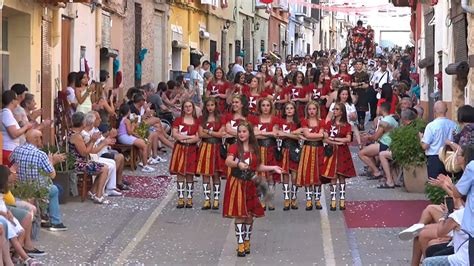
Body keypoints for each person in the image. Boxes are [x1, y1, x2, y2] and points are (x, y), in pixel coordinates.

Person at [223, 121, 282, 257]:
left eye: (244, 131)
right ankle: (241, 244)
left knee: (249, 215)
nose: (241, 134)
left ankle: (247, 240)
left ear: (249, 133)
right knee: (239, 214)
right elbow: (228, 161)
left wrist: (272, 167)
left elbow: (258, 166)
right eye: (239, 132)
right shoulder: (234, 147)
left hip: (250, 184)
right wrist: (238, 164)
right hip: (237, 183)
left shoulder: (255, 148)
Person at [10, 130, 68, 231]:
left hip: (20, 187)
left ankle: (44, 215)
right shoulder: (40, 154)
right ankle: (55, 222)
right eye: (41, 138)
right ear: (37, 139)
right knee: (54, 189)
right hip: (37, 188)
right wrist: (51, 161)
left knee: (52, 188)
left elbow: (11, 161)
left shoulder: (17, 150)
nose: (42, 141)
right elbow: (52, 175)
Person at [0, 165, 40, 265]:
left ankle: (17, 256)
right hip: (3, 216)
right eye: (8, 181)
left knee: (21, 231)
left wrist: (7, 212)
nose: (10, 184)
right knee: (7, 231)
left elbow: (3, 203)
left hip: (5, 212)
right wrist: (4, 213)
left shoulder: (3, 191)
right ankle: (25, 258)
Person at [68, 112, 110, 203]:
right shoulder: (76, 136)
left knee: (103, 167)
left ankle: (92, 192)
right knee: (104, 168)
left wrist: (91, 140)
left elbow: (83, 148)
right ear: (82, 123)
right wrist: (93, 141)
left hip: (79, 161)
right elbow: (84, 153)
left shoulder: (73, 132)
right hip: (78, 163)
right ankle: (98, 196)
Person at [322, 103, 356, 211]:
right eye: (334, 109)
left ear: (342, 112)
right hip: (331, 151)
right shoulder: (329, 124)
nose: (334, 111)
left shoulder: (347, 125)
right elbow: (325, 138)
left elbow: (348, 139)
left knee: (342, 175)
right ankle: (333, 201)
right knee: (333, 176)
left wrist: (335, 140)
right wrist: (337, 141)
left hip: (342, 152)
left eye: (337, 109)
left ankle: (342, 200)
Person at [82, 112, 122, 196]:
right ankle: (99, 190)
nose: (100, 120)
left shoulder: (93, 130)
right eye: (98, 119)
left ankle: (109, 188)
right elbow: (92, 151)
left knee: (112, 163)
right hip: (93, 156)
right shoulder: (85, 134)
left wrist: (107, 141)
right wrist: (104, 142)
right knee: (108, 165)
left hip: (96, 155)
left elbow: (101, 141)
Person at [170, 101, 200, 208]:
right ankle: (181, 198)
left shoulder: (197, 122)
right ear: (183, 108)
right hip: (180, 149)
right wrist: (189, 138)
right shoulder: (178, 120)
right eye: (186, 106)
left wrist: (185, 139)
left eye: (190, 106)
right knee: (180, 174)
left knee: (189, 174)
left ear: (193, 108)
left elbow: (197, 137)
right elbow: (175, 134)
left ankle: (190, 199)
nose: (188, 108)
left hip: (191, 150)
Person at [196, 98, 225, 210]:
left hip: (217, 148)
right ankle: (207, 200)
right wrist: (214, 134)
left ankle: (216, 200)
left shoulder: (221, 118)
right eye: (208, 105)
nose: (210, 107)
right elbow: (200, 134)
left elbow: (221, 134)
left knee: (216, 174)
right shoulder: (202, 118)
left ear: (215, 106)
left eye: (212, 105)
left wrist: (208, 131)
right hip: (205, 147)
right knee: (205, 174)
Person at [358, 102, 398, 180]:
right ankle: (374, 170)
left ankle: (376, 171)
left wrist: (368, 137)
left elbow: (375, 137)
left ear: (381, 109)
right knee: (367, 149)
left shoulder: (384, 121)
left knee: (361, 153)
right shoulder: (392, 119)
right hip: (389, 143)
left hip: (385, 144)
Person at [297, 101, 325, 210]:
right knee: (308, 173)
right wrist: (318, 135)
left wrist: (309, 136)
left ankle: (317, 200)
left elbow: (319, 136)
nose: (312, 111)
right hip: (307, 149)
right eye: (310, 109)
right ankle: (309, 200)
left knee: (318, 174)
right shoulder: (304, 121)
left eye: (314, 109)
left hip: (319, 149)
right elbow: (312, 134)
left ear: (317, 110)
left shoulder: (321, 122)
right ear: (307, 110)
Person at [378, 108, 417, 188]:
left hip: (406, 154)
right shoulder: (415, 126)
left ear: (404, 119)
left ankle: (389, 181)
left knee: (382, 154)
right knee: (388, 152)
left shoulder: (406, 129)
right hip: (411, 152)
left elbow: (403, 144)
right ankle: (395, 179)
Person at [252, 98, 280, 210]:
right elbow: (254, 135)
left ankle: (270, 199)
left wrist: (261, 133)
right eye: (263, 105)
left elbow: (275, 133)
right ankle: (262, 199)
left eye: (268, 105)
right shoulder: (255, 119)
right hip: (258, 149)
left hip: (270, 148)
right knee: (259, 175)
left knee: (271, 175)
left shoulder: (275, 119)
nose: (265, 107)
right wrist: (268, 134)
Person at [421, 101, 458, 179]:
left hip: (434, 157)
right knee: (448, 182)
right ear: (447, 110)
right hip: (449, 156)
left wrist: (420, 138)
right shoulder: (454, 125)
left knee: (434, 183)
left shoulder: (431, 126)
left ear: (434, 111)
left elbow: (425, 146)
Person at [276, 102, 302, 210]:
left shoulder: (298, 123)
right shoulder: (280, 122)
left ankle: (294, 198)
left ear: (294, 110)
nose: (289, 110)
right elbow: (278, 135)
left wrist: (286, 134)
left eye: (291, 108)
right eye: (287, 108)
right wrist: (292, 135)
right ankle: (287, 199)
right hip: (284, 149)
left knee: (295, 176)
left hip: (295, 150)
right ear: (284, 110)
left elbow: (300, 137)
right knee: (285, 174)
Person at [117, 104, 156, 172]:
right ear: (128, 112)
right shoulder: (127, 120)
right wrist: (133, 125)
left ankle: (142, 161)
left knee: (142, 143)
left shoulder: (123, 119)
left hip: (123, 136)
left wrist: (138, 136)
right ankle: (145, 166)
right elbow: (129, 132)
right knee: (144, 145)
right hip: (124, 137)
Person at [1, 90, 33, 166]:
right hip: (9, 150)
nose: (18, 101)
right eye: (16, 99)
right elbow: (14, 134)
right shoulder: (6, 114)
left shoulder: (6, 113)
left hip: (10, 149)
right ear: (12, 101)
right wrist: (26, 126)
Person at [351, 60, 370, 130]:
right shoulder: (353, 75)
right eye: (357, 64)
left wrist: (358, 85)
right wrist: (361, 84)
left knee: (363, 110)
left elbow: (367, 85)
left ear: (362, 65)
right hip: (355, 94)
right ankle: (358, 123)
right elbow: (352, 85)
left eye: (360, 64)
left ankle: (362, 124)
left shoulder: (365, 75)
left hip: (363, 94)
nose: (358, 65)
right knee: (357, 110)